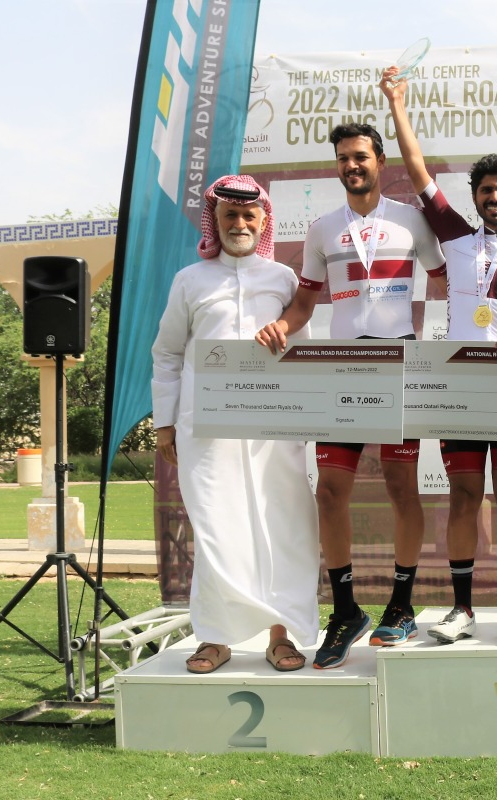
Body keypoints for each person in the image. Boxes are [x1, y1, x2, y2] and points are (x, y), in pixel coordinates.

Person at [381, 67, 497, 645]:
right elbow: (417, 172)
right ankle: (462, 609)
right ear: (476, 198)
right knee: (463, 496)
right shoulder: (454, 237)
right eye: (485, 190)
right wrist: (398, 103)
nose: (494, 197)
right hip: (459, 385)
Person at [255, 123, 445, 669]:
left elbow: (449, 283)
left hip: (398, 365)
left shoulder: (411, 221)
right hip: (342, 370)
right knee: (331, 494)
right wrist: (280, 328)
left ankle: (402, 606)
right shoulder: (321, 230)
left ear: (379, 161)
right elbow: (304, 306)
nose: (351, 165)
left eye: (359, 156)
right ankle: (346, 611)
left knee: (401, 488)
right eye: (342, 158)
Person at [152, 175, 319, 674]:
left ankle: (281, 635)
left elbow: (307, 353)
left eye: (249, 216)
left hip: (274, 431)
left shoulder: (284, 281)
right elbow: (167, 354)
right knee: (215, 529)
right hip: (206, 431)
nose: (240, 224)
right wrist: (164, 425)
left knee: (283, 527)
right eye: (230, 216)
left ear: (264, 221)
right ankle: (214, 638)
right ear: (216, 221)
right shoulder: (190, 281)